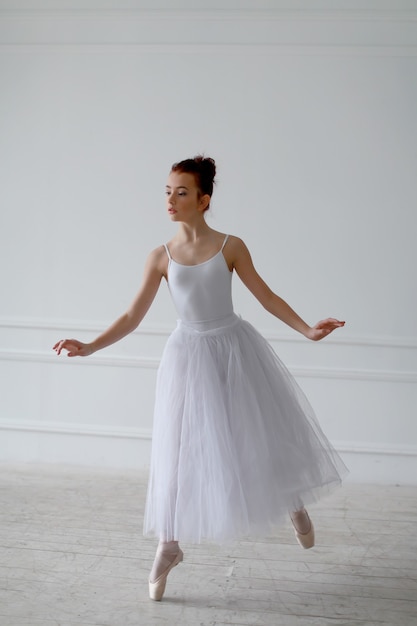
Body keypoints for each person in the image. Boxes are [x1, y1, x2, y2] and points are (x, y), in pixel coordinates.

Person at [54, 155, 348, 602]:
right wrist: (91, 345)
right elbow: (132, 314)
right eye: (167, 191)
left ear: (204, 199)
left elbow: (266, 296)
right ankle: (169, 544)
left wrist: (308, 329)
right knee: (177, 451)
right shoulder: (161, 256)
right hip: (186, 357)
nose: (171, 199)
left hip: (233, 349)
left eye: (182, 192)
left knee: (257, 432)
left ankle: (291, 499)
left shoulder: (230, 246)